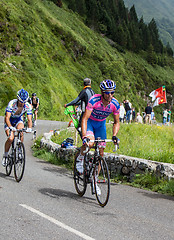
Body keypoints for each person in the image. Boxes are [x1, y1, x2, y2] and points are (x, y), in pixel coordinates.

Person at [76, 79, 120, 194]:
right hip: (90, 123)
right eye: (107, 92)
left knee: (101, 153)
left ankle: (95, 181)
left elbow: (116, 122)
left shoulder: (115, 104)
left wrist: (114, 135)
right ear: (102, 91)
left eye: (112, 92)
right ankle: (80, 158)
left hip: (101, 126)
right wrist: (85, 136)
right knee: (89, 143)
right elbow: (85, 118)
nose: (110, 95)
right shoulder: (94, 100)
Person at [2, 89, 32, 167]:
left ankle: (19, 150)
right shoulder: (12, 103)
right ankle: (5, 156)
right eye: (21, 102)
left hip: (18, 119)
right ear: (18, 99)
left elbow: (29, 119)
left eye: (24, 102)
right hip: (9, 121)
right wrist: (10, 127)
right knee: (11, 138)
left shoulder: (28, 106)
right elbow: (7, 117)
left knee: (21, 132)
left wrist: (29, 128)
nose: (22, 104)